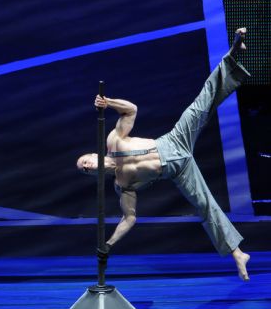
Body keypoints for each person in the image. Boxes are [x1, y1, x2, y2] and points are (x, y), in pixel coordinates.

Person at [77, 28, 251, 281]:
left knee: (201, 103)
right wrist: (109, 244)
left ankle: (233, 53)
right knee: (205, 206)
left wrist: (109, 102)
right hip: (178, 170)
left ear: (93, 154)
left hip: (172, 142)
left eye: (85, 161)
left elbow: (131, 110)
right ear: (90, 175)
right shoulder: (121, 185)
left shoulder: (113, 140)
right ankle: (237, 253)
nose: (87, 166)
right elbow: (130, 218)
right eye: (84, 170)